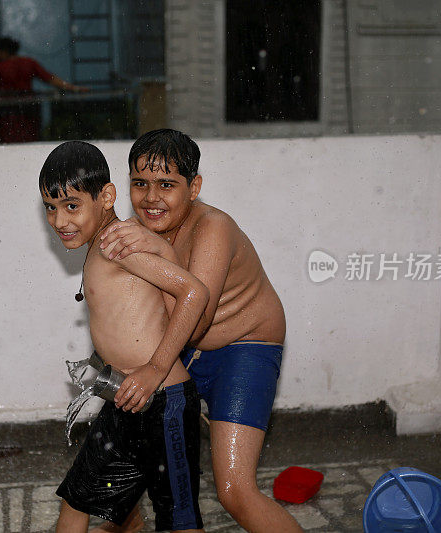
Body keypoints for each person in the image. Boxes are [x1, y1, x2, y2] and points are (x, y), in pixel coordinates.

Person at [97, 129, 303, 532]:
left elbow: (197, 319)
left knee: (234, 490)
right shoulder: (142, 227)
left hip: (244, 349)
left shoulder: (214, 228)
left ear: (194, 187)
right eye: (140, 184)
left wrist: (158, 250)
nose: (151, 198)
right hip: (180, 354)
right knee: (114, 475)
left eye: (167, 185)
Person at [39, 141, 209, 532]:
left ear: (106, 197)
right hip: (124, 400)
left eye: (71, 206)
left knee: (178, 519)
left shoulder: (118, 245)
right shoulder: (104, 244)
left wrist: (155, 368)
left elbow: (193, 292)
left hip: (163, 402)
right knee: (79, 498)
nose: (60, 220)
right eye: (51, 207)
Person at [0, 37, 88, 143]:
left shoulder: (2, 67)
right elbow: (51, 79)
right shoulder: (28, 63)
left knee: (11, 142)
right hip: (28, 109)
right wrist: (73, 88)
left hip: (10, 112)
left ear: (4, 51)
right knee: (29, 141)